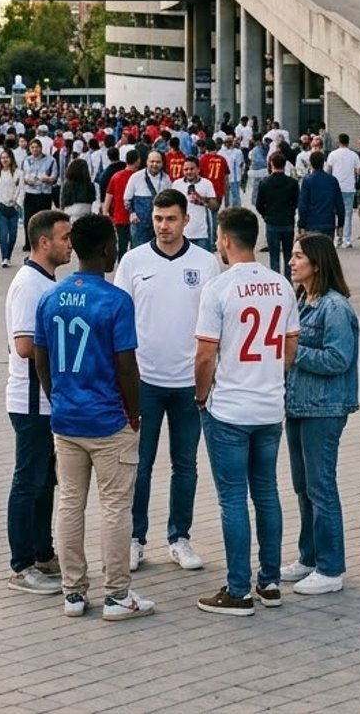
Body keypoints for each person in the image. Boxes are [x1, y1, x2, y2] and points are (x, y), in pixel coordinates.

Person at [32, 215, 155, 621]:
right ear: (105, 249)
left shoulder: (49, 297)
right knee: (115, 507)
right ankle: (117, 595)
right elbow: (126, 366)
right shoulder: (116, 300)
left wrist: (58, 398)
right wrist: (134, 412)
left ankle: (73, 593)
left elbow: (41, 359)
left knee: (69, 503)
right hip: (108, 419)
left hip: (66, 419)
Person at [194, 207, 298, 616]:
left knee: (233, 498)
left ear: (223, 239)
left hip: (230, 408)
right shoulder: (281, 285)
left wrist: (202, 395)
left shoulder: (219, 289)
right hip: (269, 406)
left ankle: (238, 588)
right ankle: (269, 581)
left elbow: (205, 355)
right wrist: (270, 374)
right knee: (267, 492)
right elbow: (290, 349)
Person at [114, 189, 221, 574]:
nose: (163, 226)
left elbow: (215, 325)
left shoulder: (206, 263)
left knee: (185, 464)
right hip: (144, 382)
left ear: (185, 220)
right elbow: (119, 321)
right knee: (138, 465)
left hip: (188, 383)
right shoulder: (132, 261)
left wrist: (208, 380)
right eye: (158, 219)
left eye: (171, 219)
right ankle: (134, 538)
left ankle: (180, 537)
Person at [279, 234, 358, 595]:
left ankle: (331, 566)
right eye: (293, 256)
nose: (292, 262)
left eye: (299, 257)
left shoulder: (334, 307)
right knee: (303, 485)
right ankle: (308, 556)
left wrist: (295, 354)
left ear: (317, 263)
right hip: (298, 404)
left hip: (324, 408)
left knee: (321, 485)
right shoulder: (302, 300)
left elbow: (339, 359)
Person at [3, 211, 71, 595]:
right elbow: (25, 345)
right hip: (30, 401)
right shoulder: (30, 284)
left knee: (47, 482)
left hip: (49, 400)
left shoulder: (47, 280)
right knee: (28, 481)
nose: (69, 244)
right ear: (44, 242)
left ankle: (43, 553)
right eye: (63, 237)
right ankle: (21, 564)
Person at [254, 151, 301, 278]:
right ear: (284, 165)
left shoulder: (265, 182)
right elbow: (297, 202)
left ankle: (276, 280)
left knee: (274, 255)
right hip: (287, 221)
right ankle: (288, 280)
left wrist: (266, 215)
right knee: (288, 255)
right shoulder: (292, 183)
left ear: (271, 164)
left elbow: (258, 204)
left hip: (272, 222)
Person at [174, 157, 221, 253]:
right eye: (186, 169)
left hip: (202, 233)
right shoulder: (177, 184)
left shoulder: (206, 184)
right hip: (183, 233)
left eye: (192, 169)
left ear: (198, 169)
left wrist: (201, 199)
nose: (189, 172)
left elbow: (215, 207)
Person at [123, 149, 168, 246]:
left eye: (158, 162)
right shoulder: (136, 177)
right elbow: (127, 199)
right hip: (139, 224)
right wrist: (132, 213)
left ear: (162, 163)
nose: (154, 164)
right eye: (152, 161)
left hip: (159, 224)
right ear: (147, 162)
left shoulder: (166, 179)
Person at [0, 149, 27, 268]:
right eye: (2, 158)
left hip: (14, 207)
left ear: (11, 159)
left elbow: (22, 189)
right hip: (2, 205)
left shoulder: (18, 173)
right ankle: (4, 257)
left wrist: (18, 203)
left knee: (12, 234)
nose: (4, 160)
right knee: (3, 233)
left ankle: (9, 255)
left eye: (7, 157)